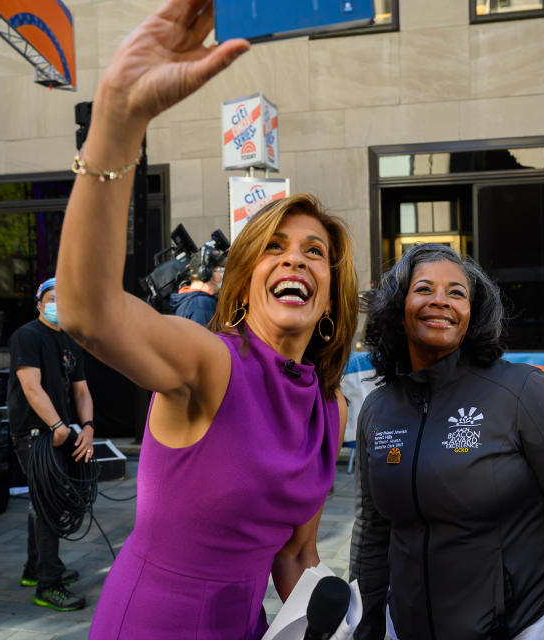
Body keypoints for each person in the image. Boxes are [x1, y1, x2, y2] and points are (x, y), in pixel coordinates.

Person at [54, 3, 358, 635]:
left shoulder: (329, 409)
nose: (295, 260)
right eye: (274, 248)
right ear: (244, 283)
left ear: (331, 293)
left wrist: (327, 621)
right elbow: (87, 313)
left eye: (314, 252)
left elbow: (296, 553)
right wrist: (118, 114)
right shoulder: (209, 361)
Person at [350, 244, 544, 640]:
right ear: (396, 306)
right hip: (405, 627)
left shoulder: (524, 391)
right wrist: (365, 624)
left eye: (457, 293)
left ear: (473, 313)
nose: (441, 301)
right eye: (424, 289)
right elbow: (373, 531)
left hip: (527, 626)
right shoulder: (377, 409)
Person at [6, 277, 95, 611]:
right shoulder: (27, 336)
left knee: (43, 502)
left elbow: (81, 390)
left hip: (62, 431)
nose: (58, 304)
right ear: (40, 302)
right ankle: (48, 584)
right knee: (49, 504)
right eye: (52, 298)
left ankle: (36, 568)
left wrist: (87, 427)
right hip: (34, 434)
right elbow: (31, 387)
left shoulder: (71, 340)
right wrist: (56, 425)